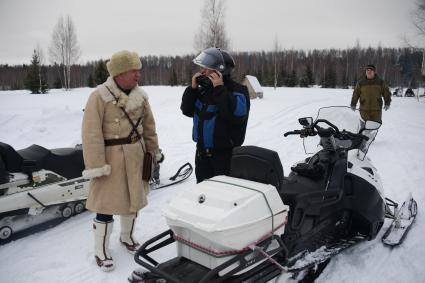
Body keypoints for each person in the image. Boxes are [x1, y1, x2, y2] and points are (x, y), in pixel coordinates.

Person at [82, 50, 163, 272]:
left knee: (132, 201)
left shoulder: (141, 97)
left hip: (136, 156)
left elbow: (149, 128)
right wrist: (97, 166)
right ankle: (101, 250)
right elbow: (91, 134)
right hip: (110, 161)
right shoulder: (99, 97)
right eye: (133, 70)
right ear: (119, 73)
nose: (138, 74)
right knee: (105, 206)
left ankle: (127, 237)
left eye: (138, 70)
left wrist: (154, 152)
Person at [180, 47, 250, 183]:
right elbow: (187, 110)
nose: (202, 72)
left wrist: (219, 89)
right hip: (202, 156)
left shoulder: (238, 92)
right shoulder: (204, 90)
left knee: (222, 196)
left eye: (206, 68)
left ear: (220, 71)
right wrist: (193, 89)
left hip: (224, 158)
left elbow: (235, 116)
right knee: (204, 195)